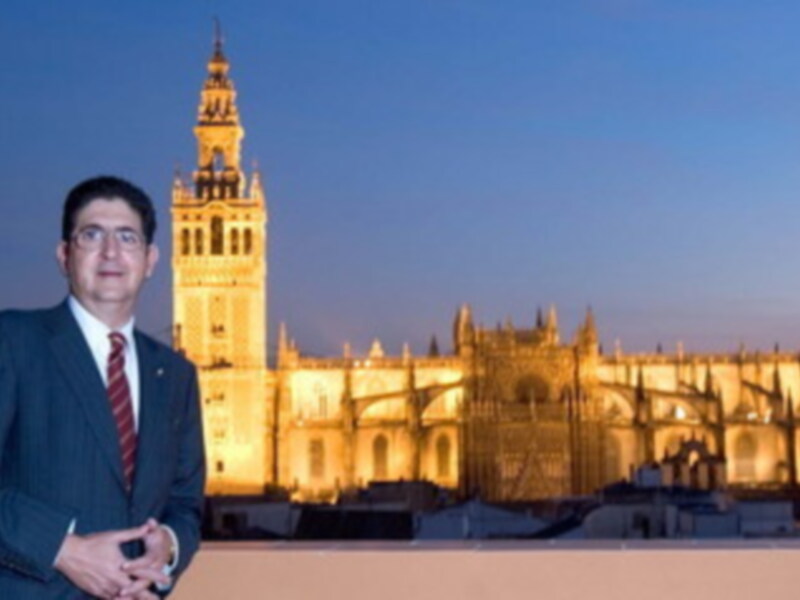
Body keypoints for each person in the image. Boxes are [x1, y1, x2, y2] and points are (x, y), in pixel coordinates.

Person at [0, 176, 205, 598]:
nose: (111, 251)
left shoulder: (176, 374)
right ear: (64, 255)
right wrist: (60, 548)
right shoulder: (12, 340)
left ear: (149, 260)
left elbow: (185, 504)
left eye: (127, 237)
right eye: (92, 234)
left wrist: (166, 547)